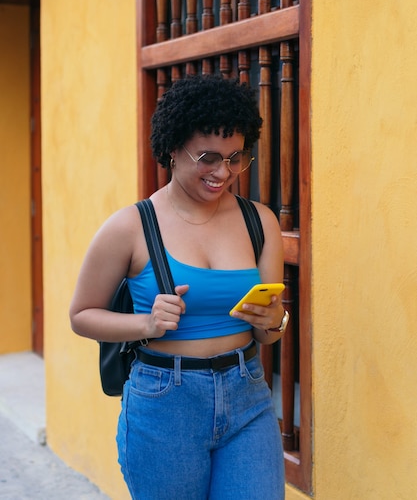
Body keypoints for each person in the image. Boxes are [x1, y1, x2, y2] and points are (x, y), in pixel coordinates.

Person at [70, 74, 288, 500]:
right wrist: (145, 324)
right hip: (163, 403)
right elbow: (81, 315)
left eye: (235, 157)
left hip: (247, 395)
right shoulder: (130, 227)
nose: (223, 172)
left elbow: (269, 331)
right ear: (173, 149)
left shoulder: (258, 221)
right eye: (208, 157)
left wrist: (275, 319)